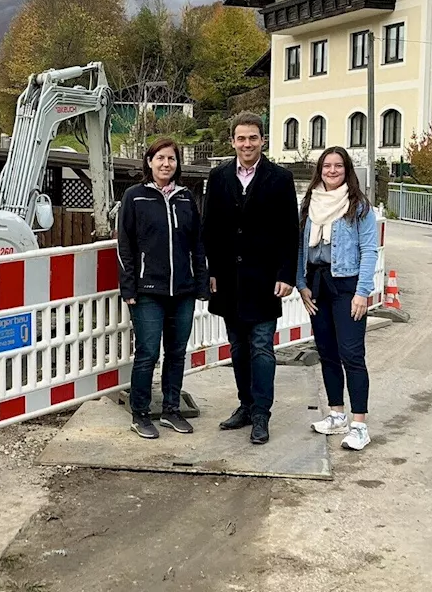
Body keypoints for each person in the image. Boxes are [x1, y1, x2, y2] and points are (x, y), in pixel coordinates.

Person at [201, 112, 300, 444]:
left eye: (253, 138)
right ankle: (245, 405)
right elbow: (209, 230)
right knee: (239, 348)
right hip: (228, 280)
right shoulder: (218, 177)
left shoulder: (281, 178)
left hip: (264, 280)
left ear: (263, 141)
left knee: (261, 347)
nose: (247, 144)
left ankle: (261, 414)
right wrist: (211, 271)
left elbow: (290, 232)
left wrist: (286, 274)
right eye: (241, 138)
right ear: (232, 141)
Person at [117, 137, 208, 439]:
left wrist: (201, 282)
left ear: (177, 164)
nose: (166, 164)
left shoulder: (186, 199)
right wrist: (128, 287)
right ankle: (140, 413)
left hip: (182, 290)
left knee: (177, 352)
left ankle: (171, 409)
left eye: (171, 159)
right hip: (147, 291)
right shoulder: (135, 197)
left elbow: (197, 244)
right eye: (160, 158)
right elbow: (125, 245)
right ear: (149, 162)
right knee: (147, 353)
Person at [296, 146, 379, 451]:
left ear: (347, 171)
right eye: (327, 166)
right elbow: (301, 248)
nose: (332, 171)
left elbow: (369, 250)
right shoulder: (309, 204)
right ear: (320, 170)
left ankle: (359, 424)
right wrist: (301, 284)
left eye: (338, 166)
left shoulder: (358, 206)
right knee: (327, 352)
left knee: (351, 354)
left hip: (347, 286)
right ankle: (336, 414)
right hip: (317, 285)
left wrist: (362, 292)